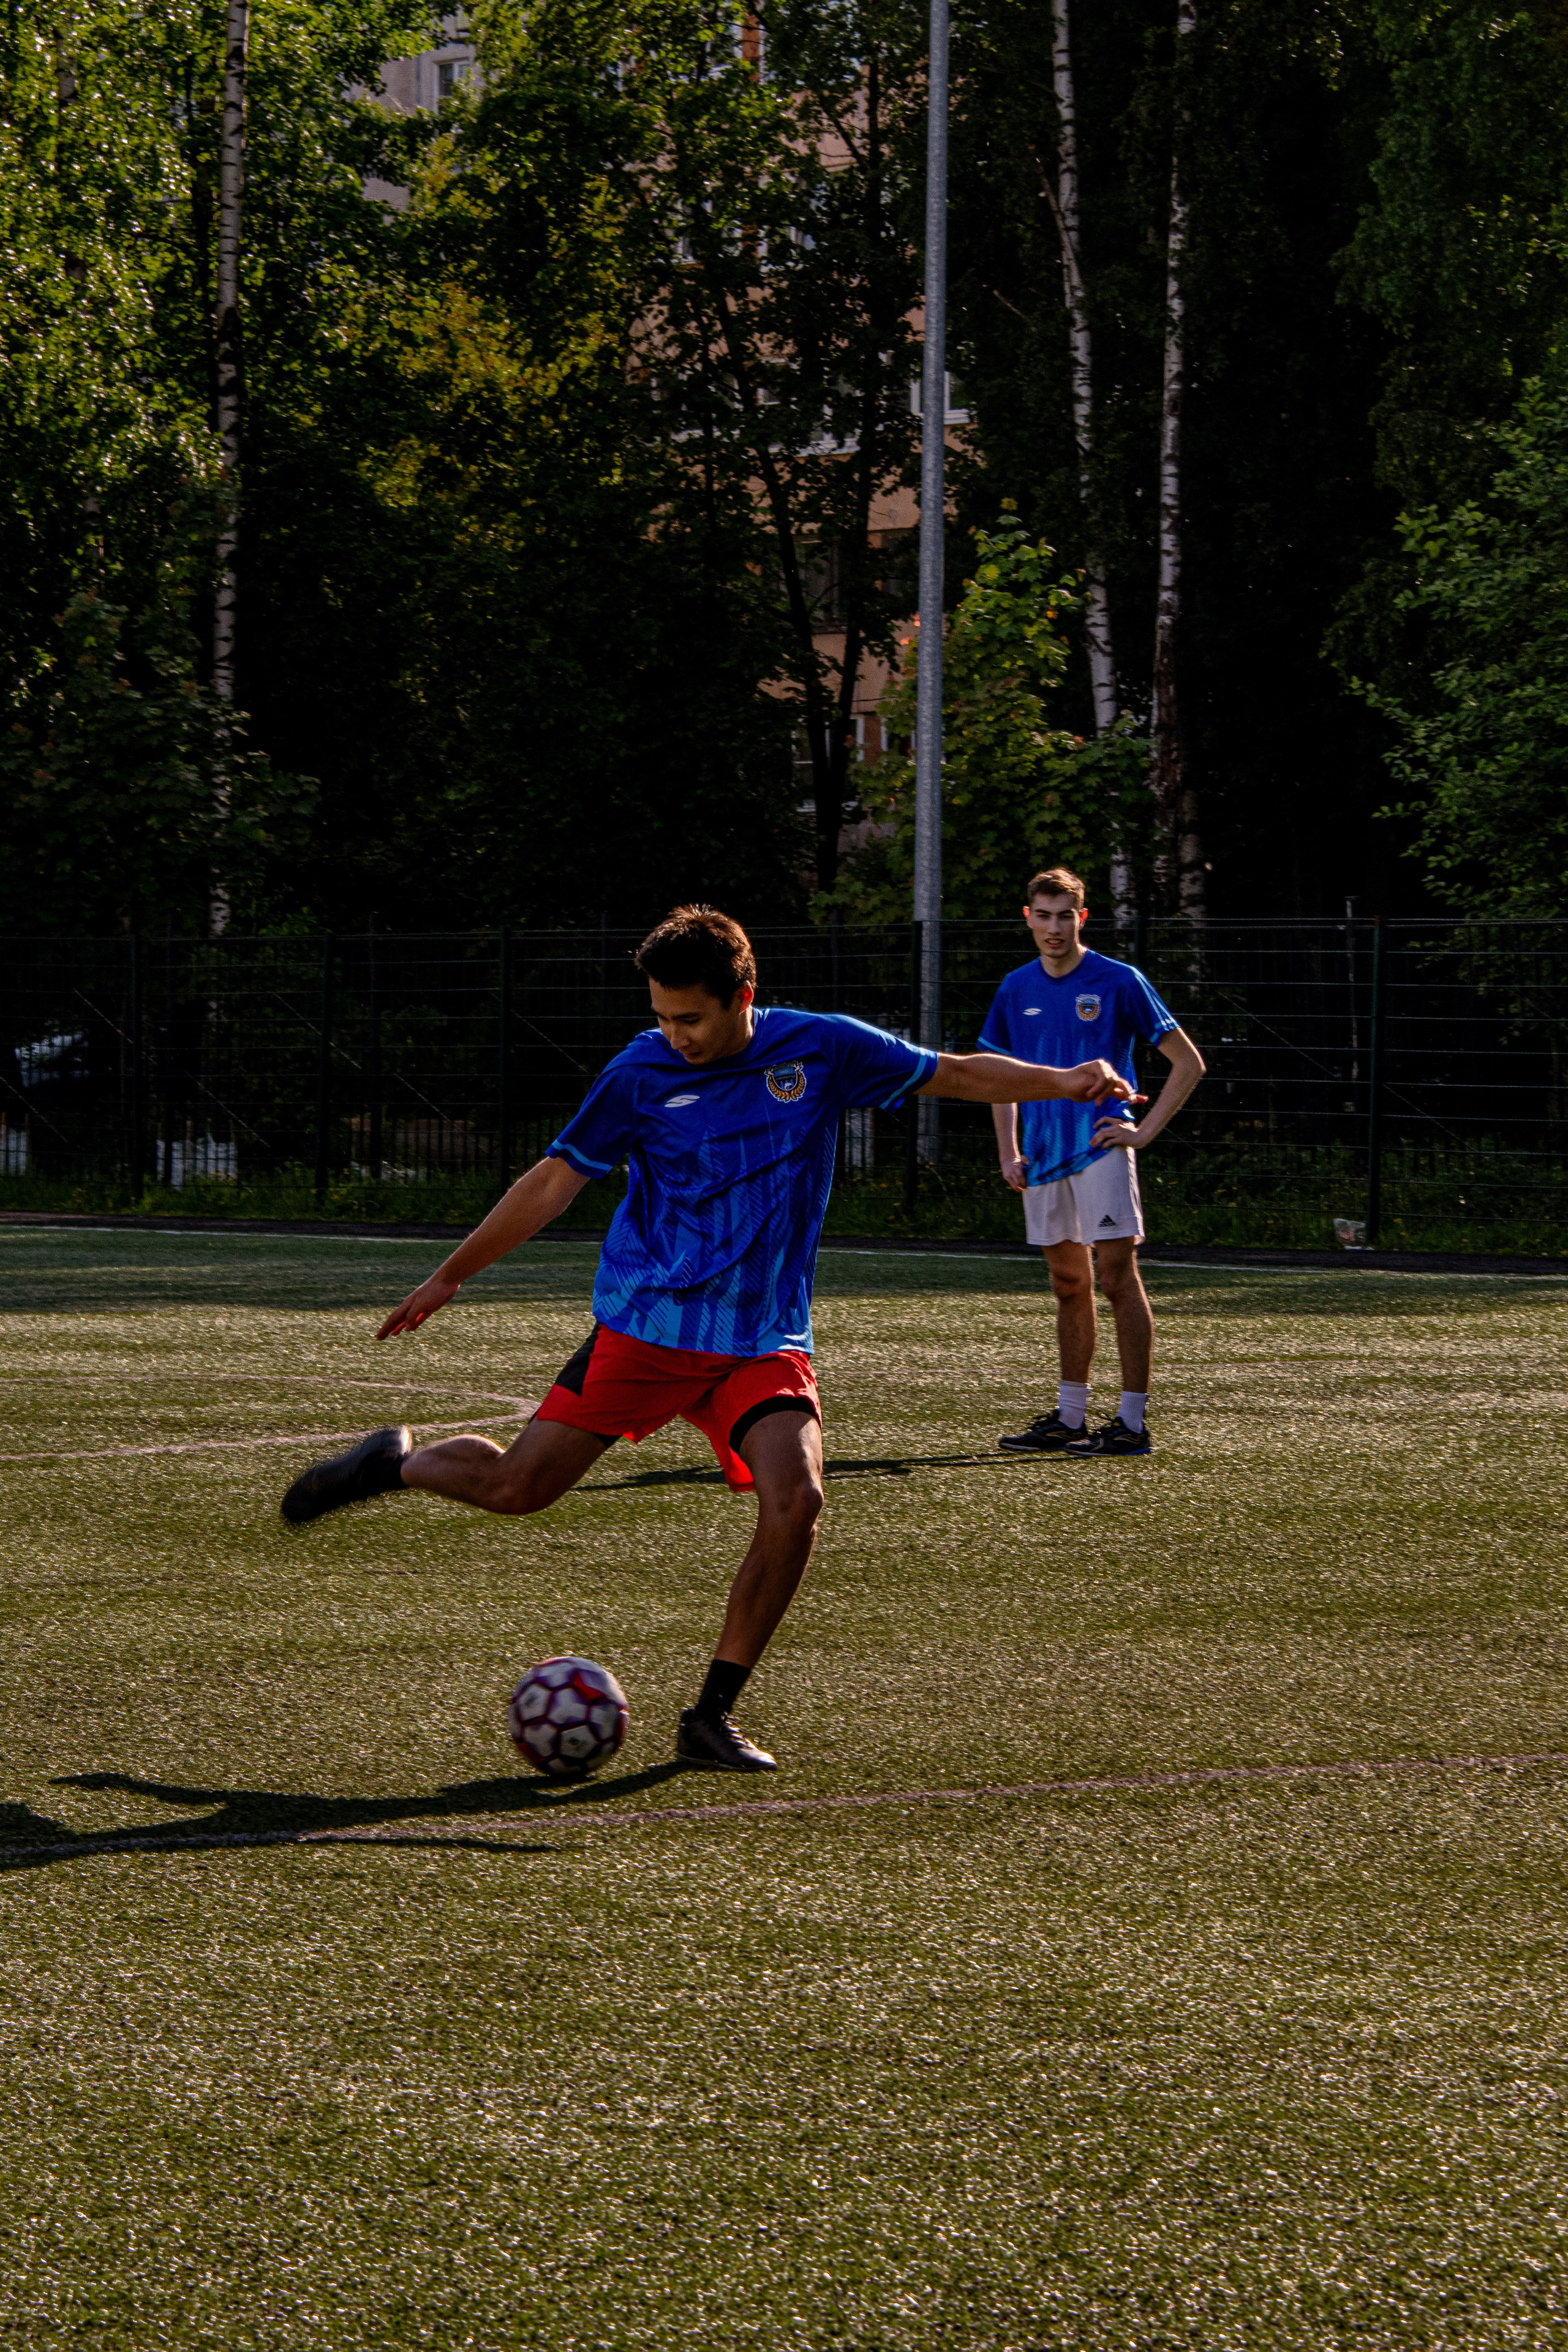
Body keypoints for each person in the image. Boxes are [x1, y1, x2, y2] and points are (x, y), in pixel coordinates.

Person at [280, 904, 1136, 1772]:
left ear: (742, 997)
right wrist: (453, 1274)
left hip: (762, 1338)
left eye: (689, 1017)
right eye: (662, 1016)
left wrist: (1066, 1081)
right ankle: (395, 1464)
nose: (675, 1035)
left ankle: (710, 1716)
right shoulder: (638, 1073)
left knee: (797, 1500)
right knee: (517, 1489)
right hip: (652, 1327)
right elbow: (551, 1182)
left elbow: (952, 1073)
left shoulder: (820, 1049)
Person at [981, 866, 1205, 1459]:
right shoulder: (1015, 988)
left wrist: (1143, 1133)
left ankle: (1131, 1423)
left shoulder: (1118, 980)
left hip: (1101, 1148)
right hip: (1043, 1157)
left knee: (1115, 1278)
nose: (1054, 928)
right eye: (1043, 916)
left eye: (1065, 916)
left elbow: (1189, 1062)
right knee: (1067, 1284)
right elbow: (998, 1077)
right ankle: (1070, 1417)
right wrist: (1008, 1149)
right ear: (1028, 918)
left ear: (1081, 918)